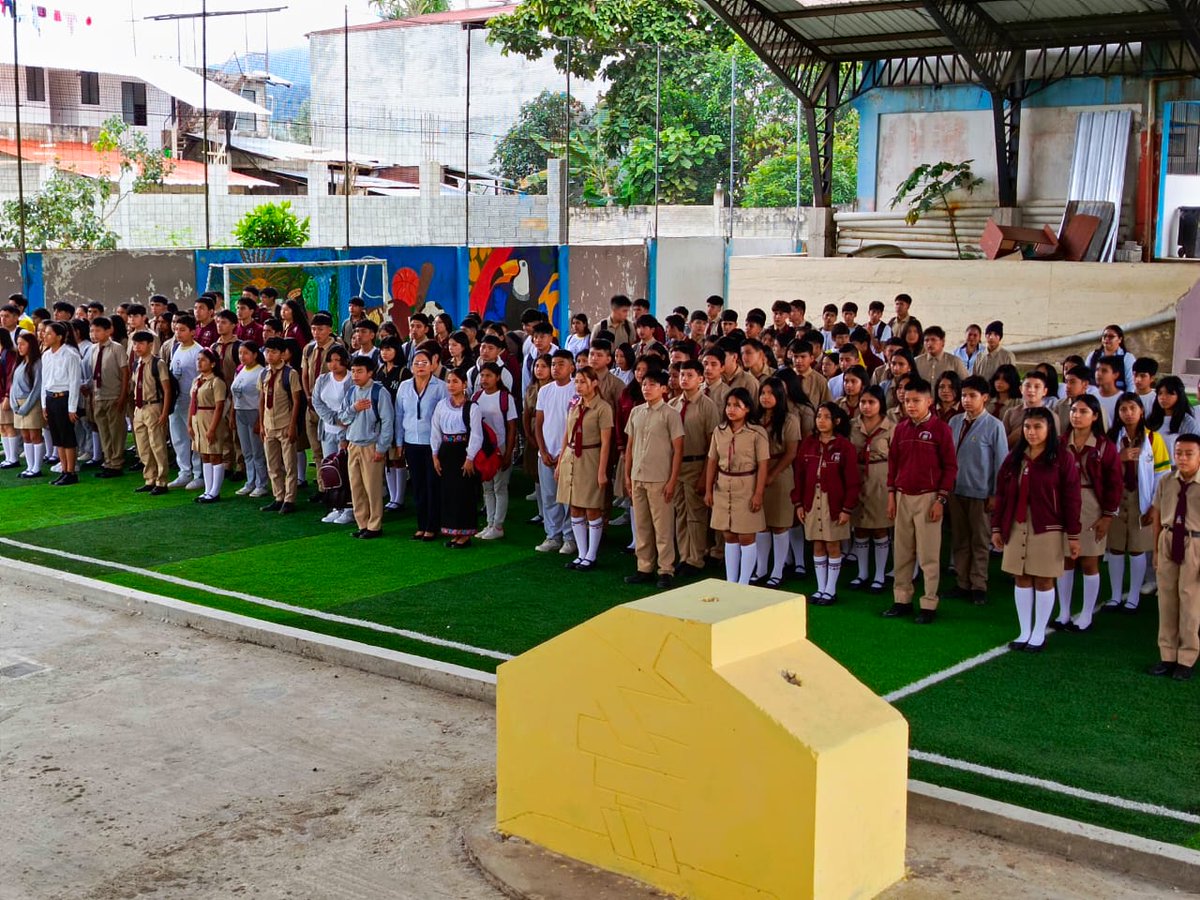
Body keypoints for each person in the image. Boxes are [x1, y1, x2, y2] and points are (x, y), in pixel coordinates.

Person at [991, 407, 1082, 653]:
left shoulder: (1062, 458)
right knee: (1021, 577)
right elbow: (1001, 494)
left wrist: (1073, 534)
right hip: (1016, 523)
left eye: (1037, 427)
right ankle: (1024, 630)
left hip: (1048, 526)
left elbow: (1072, 497)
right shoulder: (1015, 457)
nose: (1031, 432)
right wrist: (997, 527)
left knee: (1043, 578)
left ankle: (1039, 631)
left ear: (1050, 429)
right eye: (1027, 427)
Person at [884, 377, 957, 624]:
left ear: (929, 401)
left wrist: (941, 499)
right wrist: (892, 495)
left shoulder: (940, 429)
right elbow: (893, 463)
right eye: (907, 401)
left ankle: (928, 602)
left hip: (928, 497)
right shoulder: (901, 429)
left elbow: (950, 466)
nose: (911, 405)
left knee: (928, 555)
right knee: (902, 552)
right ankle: (901, 599)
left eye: (916, 401)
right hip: (903, 496)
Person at [1054, 394, 1123, 632]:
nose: (1077, 415)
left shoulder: (1105, 446)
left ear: (1095, 416)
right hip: (1063, 504)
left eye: (1083, 411)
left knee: (1089, 561)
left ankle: (1085, 614)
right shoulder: (1061, 442)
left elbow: (1115, 484)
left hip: (1092, 505)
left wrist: (1107, 516)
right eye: (1074, 410)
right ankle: (1063, 611)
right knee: (1065, 560)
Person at [1104, 393, 1170, 612]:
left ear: (1142, 411)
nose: (1128, 413)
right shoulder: (1112, 438)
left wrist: (1154, 505)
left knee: (1137, 548)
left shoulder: (1153, 439)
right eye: (1123, 409)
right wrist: (1119, 457)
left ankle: (1133, 597)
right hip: (1116, 497)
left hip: (1141, 499)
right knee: (1115, 547)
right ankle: (1114, 596)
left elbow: (1162, 474)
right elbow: (1100, 468)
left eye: (1132, 408)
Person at [946, 376, 1008, 605]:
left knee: (980, 541)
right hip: (956, 490)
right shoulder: (954, 422)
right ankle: (962, 582)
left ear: (985, 397)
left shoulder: (994, 426)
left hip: (981, 493)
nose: (967, 400)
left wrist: (995, 493)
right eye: (963, 395)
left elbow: (1001, 463)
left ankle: (979, 585)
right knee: (960, 539)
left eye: (972, 396)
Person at [793, 402, 861, 603]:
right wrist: (798, 504)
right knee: (817, 544)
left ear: (836, 421)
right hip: (811, 501)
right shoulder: (808, 444)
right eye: (818, 416)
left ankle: (831, 589)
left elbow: (852, 481)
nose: (820, 421)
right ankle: (820, 587)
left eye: (826, 417)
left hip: (834, 503)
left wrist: (847, 508)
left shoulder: (844, 446)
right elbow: (799, 475)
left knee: (833, 544)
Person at [622, 369, 684, 589]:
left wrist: (672, 480)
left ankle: (666, 568)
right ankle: (644, 566)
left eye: (652, 384)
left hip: (660, 478)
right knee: (642, 525)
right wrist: (628, 476)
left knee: (663, 526)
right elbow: (630, 446)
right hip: (638, 476)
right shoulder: (636, 412)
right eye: (645, 384)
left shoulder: (671, 414)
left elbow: (678, 450)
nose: (647, 388)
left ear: (663, 389)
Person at [1148, 433, 1200, 681]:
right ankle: (1167, 655)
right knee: (1167, 600)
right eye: (1178, 452)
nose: (1182, 458)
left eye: (1189, 453)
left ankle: (1187, 658)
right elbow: (1157, 517)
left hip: (1195, 543)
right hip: (1168, 539)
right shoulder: (1167, 481)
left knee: (1190, 603)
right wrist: (1156, 551)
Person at [705, 388, 770, 584]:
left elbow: (763, 465)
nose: (731, 410)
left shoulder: (756, 433)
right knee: (729, 534)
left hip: (746, 484)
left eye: (737, 406)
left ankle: (744, 581)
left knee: (746, 535)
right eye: (729, 405)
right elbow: (712, 461)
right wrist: (709, 490)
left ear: (747, 409)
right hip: (724, 484)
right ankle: (731, 580)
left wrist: (758, 493)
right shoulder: (720, 431)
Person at [555, 366, 614, 571]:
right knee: (575, 507)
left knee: (591, 507)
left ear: (594, 383)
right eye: (577, 382)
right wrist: (561, 461)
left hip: (590, 456)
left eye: (582, 382)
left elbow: (606, 443)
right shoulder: (574, 404)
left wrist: (602, 471)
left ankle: (591, 554)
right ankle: (581, 553)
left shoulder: (603, 408)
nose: (578, 386)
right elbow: (567, 434)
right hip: (572, 457)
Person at [669, 360, 720, 578]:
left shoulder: (707, 405)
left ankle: (696, 558)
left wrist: (705, 476)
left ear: (700, 379)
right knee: (680, 513)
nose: (684, 379)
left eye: (690, 375)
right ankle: (684, 555)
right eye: (682, 375)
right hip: (676, 467)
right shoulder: (673, 404)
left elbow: (713, 443)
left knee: (696, 514)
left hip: (697, 463)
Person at [334, 354, 393, 540]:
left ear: (370, 373)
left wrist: (381, 448)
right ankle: (362, 523)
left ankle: (375, 525)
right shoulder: (351, 392)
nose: (355, 375)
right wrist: (354, 408)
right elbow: (342, 418)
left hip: (371, 445)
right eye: (353, 371)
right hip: (353, 445)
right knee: (356, 488)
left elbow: (387, 422)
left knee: (372, 488)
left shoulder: (379, 392)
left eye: (359, 371)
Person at [752, 377, 801, 587]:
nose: (765, 397)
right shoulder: (754, 418)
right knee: (761, 525)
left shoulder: (789, 419)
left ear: (779, 396)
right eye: (763, 393)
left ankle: (778, 570)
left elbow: (791, 453)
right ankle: (761, 568)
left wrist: (772, 474)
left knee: (779, 524)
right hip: (756, 472)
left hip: (780, 474)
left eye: (771, 393)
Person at [396, 347, 447, 541]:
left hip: (433, 444)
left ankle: (433, 525)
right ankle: (421, 524)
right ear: (410, 367)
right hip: (411, 442)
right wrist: (399, 441)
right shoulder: (404, 387)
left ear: (432, 365)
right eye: (416, 363)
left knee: (433, 484)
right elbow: (399, 414)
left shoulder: (440, 387)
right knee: (418, 485)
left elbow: (444, 415)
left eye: (424, 363)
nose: (420, 367)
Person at [430, 367, 482, 547]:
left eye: (455, 382)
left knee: (464, 493)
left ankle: (465, 533)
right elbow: (435, 430)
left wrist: (470, 458)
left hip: (463, 451)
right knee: (449, 493)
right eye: (449, 382)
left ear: (464, 384)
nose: (451, 385)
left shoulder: (472, 407)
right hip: (446, 451)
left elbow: (476, 434)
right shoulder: (441, 405)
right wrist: (435, 454)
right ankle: (453, 530)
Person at [848, 386, 892, 591]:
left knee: (880, 527)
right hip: (857, 477)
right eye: (863, 402)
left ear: (880, 404)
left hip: (880, 479)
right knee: (861, 526)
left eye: (871, 402)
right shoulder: (852, 426)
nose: (866, 406)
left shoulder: (891, 427)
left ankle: (880, 574)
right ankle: (862, 573)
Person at [536, 349, 579, 555]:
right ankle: (552, 535)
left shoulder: (576, 390)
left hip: (568, 454)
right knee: (549, 496)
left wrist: (563, 454)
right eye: (553, 364)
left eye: (561, 364)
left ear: (572, 367)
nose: (555, 368)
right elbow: (539, 423)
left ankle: (570, 538)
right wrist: (543, 450)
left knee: (568, 498)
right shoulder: (545, 391)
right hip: (546, 453)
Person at [258, 337, 303, 514]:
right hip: (269, 425)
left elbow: (296, 401)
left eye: (274, 352)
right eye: (267, 351)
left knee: (289, 464)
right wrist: (261, 424)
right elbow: (261, 400)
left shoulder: (289, 374)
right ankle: (278, 496)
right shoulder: (264, 373)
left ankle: (290, 498)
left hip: (285, 424)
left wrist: (293, 426)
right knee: (273, 464)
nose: (269, 355)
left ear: (283, 354)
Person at [474, 362, 518, 540]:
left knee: (500, 487)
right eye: (482, 376)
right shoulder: (477, 396)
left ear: (498, 377)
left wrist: (508, 452)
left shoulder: (505, 397)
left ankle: (498, 525)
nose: (484, 379)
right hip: (483, 449)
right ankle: (490, 522)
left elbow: (512, 426)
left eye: (488, 376)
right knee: (487, 487)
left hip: (499, 447)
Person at [311, 346, 355, 525]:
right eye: (331, 360)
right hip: (328, 429)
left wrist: (343, 423)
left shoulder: (352, 380)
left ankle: (349, 508)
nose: (334, 364)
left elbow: (353, 404)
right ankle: (335, 506)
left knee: (346, 470)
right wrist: (332, 418)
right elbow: (317, 401)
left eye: (338, 360)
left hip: (347, 431)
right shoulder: (322, 379)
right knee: (330, 469)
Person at [83, 317, 129, 479]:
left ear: (109, 331)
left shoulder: (117, 348)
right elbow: (94, 374)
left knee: (116, 430)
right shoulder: (93, 349)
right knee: (103, 430)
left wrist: (123, 395)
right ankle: (107, 460)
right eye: (92, 330)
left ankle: (116, 462)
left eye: (98, 330)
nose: (94, 334)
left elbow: (125, 373)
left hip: (114, 394)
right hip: (98, 395)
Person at [129, 331, 172, 495]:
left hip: (153, 405)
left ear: (150, 345)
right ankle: (149, 477)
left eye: (141, 343)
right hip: (139, 407)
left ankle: (162, 480)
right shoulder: (136, 364)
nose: (137, 347)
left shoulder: (157, 363)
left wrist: (164, 412)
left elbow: (167, 389)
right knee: (143, 445)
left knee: (157, 444)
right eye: (135, 344)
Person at [39, 321, 83, 486]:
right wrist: (44, 404)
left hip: (64, 397)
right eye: (45, 333)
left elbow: (74, 382)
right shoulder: (46, 355)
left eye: (49, 333)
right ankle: (64, 470)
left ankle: (71, 471)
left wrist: (72, 408)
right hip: (51, 398)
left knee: (67, 436)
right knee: (57, 436)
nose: (45, 336)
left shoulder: (70, 354)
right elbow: (44, 382)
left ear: (59, 337)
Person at [187, 348, 231, 503]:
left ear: (212, 364)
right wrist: (189, 424)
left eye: (203, 360)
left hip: (210, 418)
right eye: (198, 359)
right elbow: (192, 403)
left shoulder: (217, 382)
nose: (199, 362)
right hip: (198, 418)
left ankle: (215, 491)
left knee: (214, 454)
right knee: (204, 454)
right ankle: (208, 489)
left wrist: (212, 428)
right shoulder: (196, 380)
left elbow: (219, 407)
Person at [166, 314, 203, 490]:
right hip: (176, 400)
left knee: (195, 437)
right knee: (178, 437)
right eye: (176, 330)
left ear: (193, 332)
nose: (178, 333)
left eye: (182, 330)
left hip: (192, 400)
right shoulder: (175, 348)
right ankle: (184, 472)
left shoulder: (198, 351)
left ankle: (199, 473)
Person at [231, 342, 270, 499]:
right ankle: (250, 481)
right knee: (246, 451)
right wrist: (233, 416)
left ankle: (261, 483)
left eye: (246, 353)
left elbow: (263, 398)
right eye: (240, 353)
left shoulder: (261, 372)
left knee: (257, 451)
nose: (242, 356)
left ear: (255, 354)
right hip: (240, 413)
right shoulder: (240, 370)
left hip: (254, 413)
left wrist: (260, 420)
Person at [10, 331, 44, 478]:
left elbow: (37, 388)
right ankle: (30, 466)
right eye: (18, 344)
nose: (20, 347)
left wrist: (25, 406)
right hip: (18, 404)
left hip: (31, 403)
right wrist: (13, 403)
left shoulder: (37, 364)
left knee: (35, 434)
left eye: (23, 344)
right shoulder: (20, 363)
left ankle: (36, 467)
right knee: (25, 435)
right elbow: (13, 385)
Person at [1147, 375, 1199, 459]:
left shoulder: (1187, 422)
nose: (1163, 397)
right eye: (1160, 393)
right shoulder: (1151, 419)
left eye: (1169, 393)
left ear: (1179, 395)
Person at [1003, 371, 1050, 449]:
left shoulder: (1051, 416)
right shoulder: (1011, 413)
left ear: (1045, 391)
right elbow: (1002, 444)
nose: (1031, 390)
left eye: (1037, 386)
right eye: (1027, 386)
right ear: (1021, 389)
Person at [1085, 325, 1136, 393]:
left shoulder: (1127, 357)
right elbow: (1085, 378)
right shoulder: (1093, 355)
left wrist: (1127, 400)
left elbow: (1131, 383)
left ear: (1120, 339)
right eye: (1105, 336)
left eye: (1111, 337)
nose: (1107, 339)